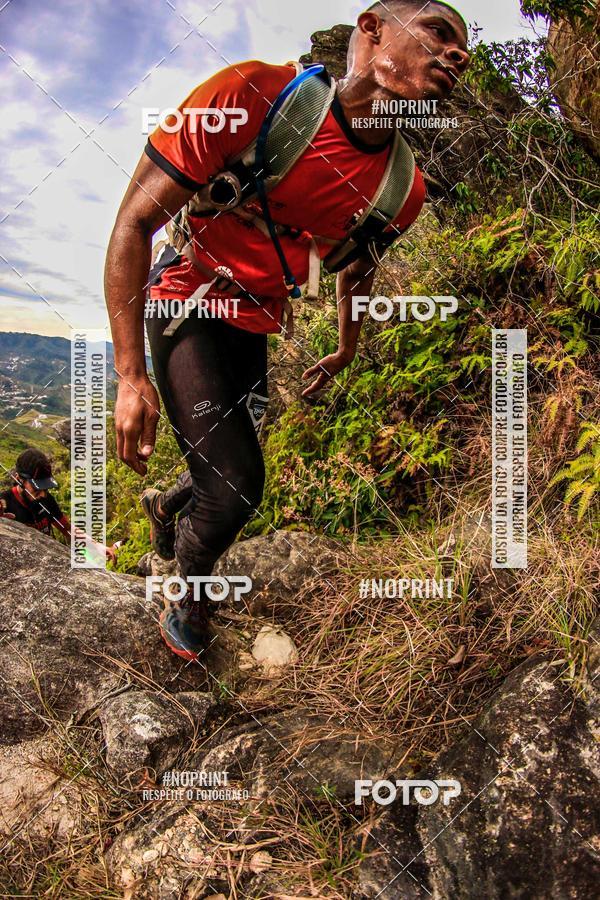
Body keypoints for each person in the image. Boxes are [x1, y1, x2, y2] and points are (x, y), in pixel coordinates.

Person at [105, 0, 470, 661]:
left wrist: (344, 348)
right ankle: (187, 588)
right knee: (235, 484)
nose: (458, 54)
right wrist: (131, 375)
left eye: (463, 48)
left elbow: (353, 269)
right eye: (440, 32)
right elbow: (134, 222)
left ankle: (166, 508)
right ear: (373, 28)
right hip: (185, 299)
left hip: (257, 320)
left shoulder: (400, 189)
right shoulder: (248, 96)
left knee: (235, 441)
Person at [0, 448, 117, 563]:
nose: (42, 494)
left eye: (45, 489)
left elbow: (67, 528)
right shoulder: (5, 503)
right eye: (36, 489)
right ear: (18, 479)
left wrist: (98, 547)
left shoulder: (47, 499)